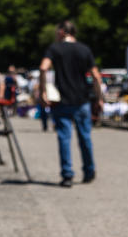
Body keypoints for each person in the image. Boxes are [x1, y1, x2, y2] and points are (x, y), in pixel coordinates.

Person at [39, 20, 103, 187]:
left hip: (62, 100)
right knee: (85, 137)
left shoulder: (55, 49)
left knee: (64, 138)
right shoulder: (84, 49)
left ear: (61, 32)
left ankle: (67, 175)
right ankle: (89, 171)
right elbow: (96, 76)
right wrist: (99, 98)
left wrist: (43, 91)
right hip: (82, 100)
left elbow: (44, 68)